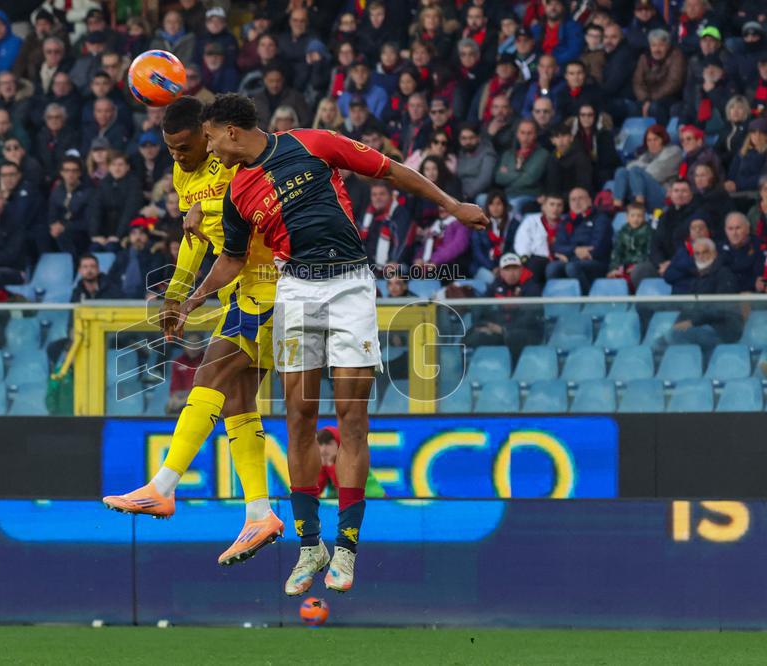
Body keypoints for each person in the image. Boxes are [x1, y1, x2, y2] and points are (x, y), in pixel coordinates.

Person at [176, 94, 486, 595]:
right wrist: (194, 299)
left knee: (351, 417)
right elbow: (232, 260)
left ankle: (346, 547)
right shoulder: (236, 193)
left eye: (210, 137)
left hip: (350, 287)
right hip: (295, 290)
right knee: (297, 414)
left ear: (231, 131)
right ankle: (309, 545)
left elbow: (389, 169)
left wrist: (452, 205)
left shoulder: (311, 143)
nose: (208, 148)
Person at [103, 97, 284, 567]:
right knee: (239, 404)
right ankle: (259, 514)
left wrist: (209, 221)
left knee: (207, 381)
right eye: (170, 149)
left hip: (268, 287)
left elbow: (244, 223)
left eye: (184, 147)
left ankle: (161, 487)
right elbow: (194, 241)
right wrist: (175, 296)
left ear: (209, 135)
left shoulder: (236, 162)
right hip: (238, 293)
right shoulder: (185, 174)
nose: (177, 158)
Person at [544, 188, 612, 293]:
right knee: (552, 267)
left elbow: (598, 247)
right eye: (573, 199)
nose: (577, 202)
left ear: (589, 201)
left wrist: (569, 254)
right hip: (573, 259)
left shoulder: (600, 218)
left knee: (572, 267)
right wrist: (575, 250)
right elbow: (557, 246)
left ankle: (586, 303)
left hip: (596, 262)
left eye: (581, 198)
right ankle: (558, 302)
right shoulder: (566, 221)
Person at [611, 125, 682, 212]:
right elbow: (628, 168)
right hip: (644, 191)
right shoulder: (647, 155)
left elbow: (654, 174)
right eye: (649, 140)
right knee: (621, 171)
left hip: (663, 195)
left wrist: (640, 168)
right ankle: (617, 207)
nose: (652, 143)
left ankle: (639, 206)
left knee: (635, 171)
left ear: (663, 139)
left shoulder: (673, 152)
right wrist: (641, 168)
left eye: (655, 139)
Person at [632, 30, 686, 125]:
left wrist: (651, 99)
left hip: (670, 97)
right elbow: (638, 82)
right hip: (647, 98)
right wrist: (645, 99)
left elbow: (673, 82)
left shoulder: (676, 55)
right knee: (633, 107)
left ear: (668, 46)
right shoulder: (644, 58)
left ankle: (661, 135)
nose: (657, 49)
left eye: (661, 45)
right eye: (653, 45)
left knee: (654, 107)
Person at [315, 425, 386, 498]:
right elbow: (316, 491)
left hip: (375, 500)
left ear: (339, 443)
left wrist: (329, 466)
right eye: (320, 444)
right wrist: (324, 467)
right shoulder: (325, 462)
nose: (323, 449)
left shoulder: (352, 459)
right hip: (341, 504)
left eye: (328, 444)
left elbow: (346, 491)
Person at [514, 192, 566, 281]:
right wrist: (525, 259)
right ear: (544, 207)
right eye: (552, 204)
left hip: (559, 259)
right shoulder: (531, 221)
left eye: (559, 205)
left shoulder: (566, 223)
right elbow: (522, 242)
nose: (555, 208)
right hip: (535, 259)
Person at [470, 190, 518, 283]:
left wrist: (504, 267)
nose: (495, 208)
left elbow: (514, 248)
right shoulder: (479, 224)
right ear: (487, 206)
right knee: (493, 280)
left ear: (504, 205)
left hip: (507, 266)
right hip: (484, 266)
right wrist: (492, 267)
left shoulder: (513, 224)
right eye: (491, 204)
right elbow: (477, 252)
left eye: (498, 204)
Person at [608, 203, 653, 286]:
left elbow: (649, 252)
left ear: (644, 218)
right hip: (624, 266)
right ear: (627, 218)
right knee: (612, 280)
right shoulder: (622, 232)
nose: (636, 219)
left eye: (639, 216)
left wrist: (637, 266)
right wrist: (614, 268)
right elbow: (617, 252)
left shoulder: (649, 232)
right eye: (632, 216)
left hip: (639, 266)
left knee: (630, 280)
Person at [720, 212, 766, 292]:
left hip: (752, 295)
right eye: (730, 229)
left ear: (747, 229)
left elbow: (760, 277)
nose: (734, 233)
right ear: (725, 230)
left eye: (738, 228)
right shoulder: (719, 249)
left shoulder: (759, 246)